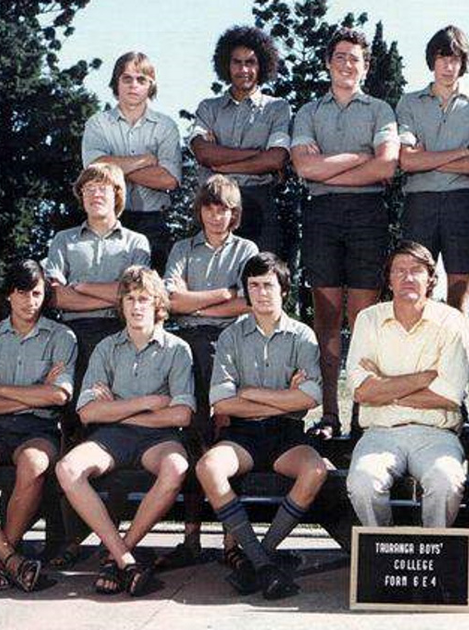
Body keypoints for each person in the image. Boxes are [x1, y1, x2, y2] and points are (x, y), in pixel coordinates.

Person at [54, 266, 195, 597]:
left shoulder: (177, 349)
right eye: (129, 298)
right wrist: (148, 402)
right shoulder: (106, 348)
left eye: (144, 298)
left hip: (158, 439)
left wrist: (117, 407)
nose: (136, 306)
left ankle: (119, 552)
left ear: (157, 303)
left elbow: (182, 414)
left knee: (177, 467)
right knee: (67, 468)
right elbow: (88, 412)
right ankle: (125, 560)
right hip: (111, 438)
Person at [196, 252, 328, 599]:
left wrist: (252, 392)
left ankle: (259, 556)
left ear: (283, 289)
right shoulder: (231, 336)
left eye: (268, 285)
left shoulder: (303, 336)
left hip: (286, 433)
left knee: (315, 470)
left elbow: (312, 396)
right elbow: (222, 402)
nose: (261, 293)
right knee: (209, 466)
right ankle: (265, 564)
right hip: (242, 434)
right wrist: (287, 394)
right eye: (253, 286)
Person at [290, 27, 399, 436]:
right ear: (327, 62)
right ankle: (331, 414)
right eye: (340, 57)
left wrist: (330, 166)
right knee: (327, 319)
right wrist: (359, 157)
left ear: (366, 66)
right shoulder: (308, 112)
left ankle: (360, 415)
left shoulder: (380, 110)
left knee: (363, 320)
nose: (347, 64)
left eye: (355, 58)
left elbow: (386, 166)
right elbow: (304, 168)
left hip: (368, 214)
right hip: (322, 215)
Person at [42, 163, 151, 569]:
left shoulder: (136, 243)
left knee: (112, 437)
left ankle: (114, 537)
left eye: (103, 188)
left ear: (118, 195)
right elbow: (56, 299)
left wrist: (82, 287)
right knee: (70, 439)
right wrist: (106, 294)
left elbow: (134, 296)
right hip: (72, 341)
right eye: (88, 189)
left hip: (119, 341)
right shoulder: (64, 240)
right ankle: (64, 539)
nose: (95, 195)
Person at [0, 259, 77, 592]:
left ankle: (2, 560)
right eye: (22, 292)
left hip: (38, 431)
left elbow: (59, 396)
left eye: (37, 293)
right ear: (9, 295)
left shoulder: (61, 337)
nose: (30, 301)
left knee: (34, 463)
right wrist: (34, 395)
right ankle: (10, 558)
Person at [159, 174, 258, 569]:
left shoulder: (246, 248)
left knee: (226, 439)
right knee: (194, 439)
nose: (218, 216)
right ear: (200, 209)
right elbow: (169, 300)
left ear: (235, 214)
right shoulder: (183, 248)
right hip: (191, 347)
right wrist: (220, 295)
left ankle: (232, 541)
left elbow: (248, 301)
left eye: (226, 210)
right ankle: (191, 538)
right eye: (211, 208)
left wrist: (194, 303)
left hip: (234, 347)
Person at [345, 241, 469, 529]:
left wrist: (385, 391)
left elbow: (450, 394)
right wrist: (424, 378)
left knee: (446, 483)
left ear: (431, 279)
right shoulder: (369, 319)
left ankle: (432, 552)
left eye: (416, 270)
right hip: (379, 432)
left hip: (436, 433)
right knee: (363, 483)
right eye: (399, 270)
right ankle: (383, 552)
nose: (408, 277)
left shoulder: (451, 321)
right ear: (388, 279)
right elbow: (361, 391)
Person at [395, 25, 469, 314]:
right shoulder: (409, 102)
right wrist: (461, 153)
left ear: (463, 63)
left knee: (459, 291)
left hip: (462, 202)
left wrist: (429, 157)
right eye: (442, 58)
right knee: (413, 286)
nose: (448, 66)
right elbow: (407, 161)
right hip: (419, 202)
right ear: (432, 61)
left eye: (454, 59)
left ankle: (457, 357)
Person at [190, 26, 292, 258]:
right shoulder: (208, 108)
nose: (244, 69)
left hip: (260, 202)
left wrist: (221, 165)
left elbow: (276, 158)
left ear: (262, 65)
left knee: (261, 279)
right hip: (213, 202)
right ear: (226, 64)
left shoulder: (277, 108)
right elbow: (204, 154)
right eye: (237, 62)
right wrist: (256, 153)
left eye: (251, 62)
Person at [82, 51, 182, 273]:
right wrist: (145, 160)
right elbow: (94, 168)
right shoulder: (98, 124)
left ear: (150, 86)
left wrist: (112, 168)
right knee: (108, 289)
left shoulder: (166, 126)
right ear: (116, 83)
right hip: (107, 220)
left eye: (141, 79)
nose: (133, 85)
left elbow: (169, 179)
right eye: (126, 78)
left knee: (150, 295)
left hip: (153, 222)